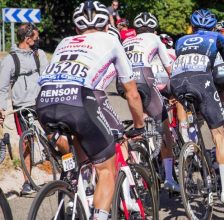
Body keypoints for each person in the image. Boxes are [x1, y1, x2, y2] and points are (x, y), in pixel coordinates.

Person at [36, 1, 145, 219]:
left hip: (43, 101)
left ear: (76, 29)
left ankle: (75, 183)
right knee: (106, 170)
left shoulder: (64, 42)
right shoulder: (112, 40)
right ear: (107, 25)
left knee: (80, 150)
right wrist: (140, 125)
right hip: (79, 99)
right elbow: (131, 92)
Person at [170, 9, 224, 207]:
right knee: (218, 134)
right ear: (213, 27)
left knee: (194, 114)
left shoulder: (181, 40)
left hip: (177, 83)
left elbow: (185, 67)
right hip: (201, 82)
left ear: (193, 27)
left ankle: (190, 143)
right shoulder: (217, 37)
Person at [122, 12, 180, 192]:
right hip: (144, 79)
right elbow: (170, 69)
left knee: (139, 122)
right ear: (154, 28)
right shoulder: (156, 40)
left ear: (136, 29)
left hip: (124, 83)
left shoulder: (126, 41)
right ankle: (170, 178)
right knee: (163, 126)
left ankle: (137, 170)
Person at [0, 23, 49, 195]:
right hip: (21, 106)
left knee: (54, 134)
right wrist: (1, 108)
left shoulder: (40, 54)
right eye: (35, 38)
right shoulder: (10, 60)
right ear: (27, 39)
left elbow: (46, 77)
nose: (38, 40)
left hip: (41, 102)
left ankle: (62, 167)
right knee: (26, 143)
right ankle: (27, 182)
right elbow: (3, 88)